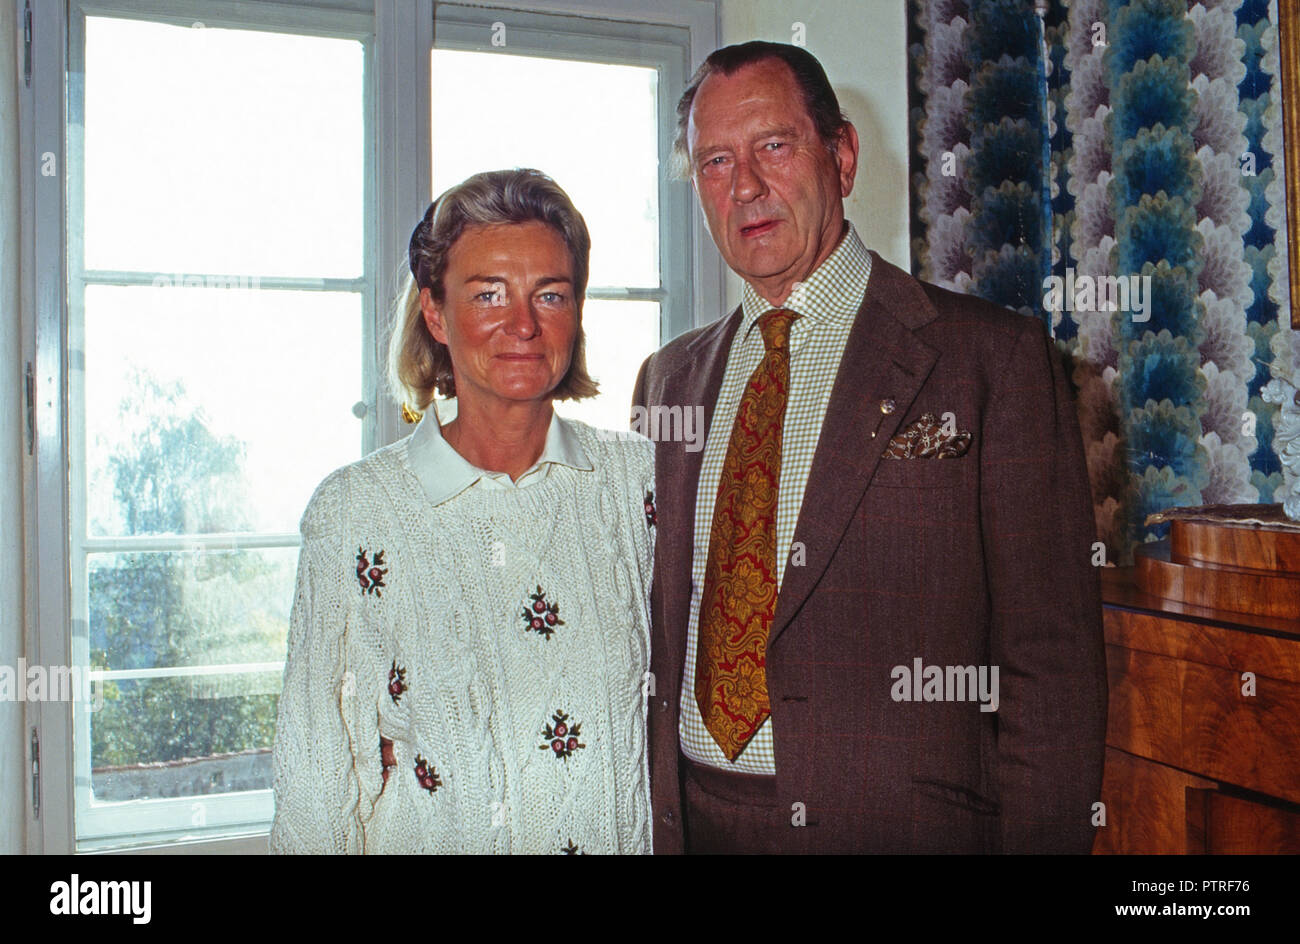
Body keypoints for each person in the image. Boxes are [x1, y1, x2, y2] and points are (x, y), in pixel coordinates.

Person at [633, 41, 1108, 854]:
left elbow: (1052, 670)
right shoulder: (668, 382)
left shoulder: (990, 361)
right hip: (699, 824)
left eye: (773, 146)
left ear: (842, 155)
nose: (744, 185)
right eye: (715, 161)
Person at [271, 168, 655, 854]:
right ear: (436, 314)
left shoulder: (639, 485)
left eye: (550, 294)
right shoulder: (355, 511)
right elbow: (317, 776)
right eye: (488, 295)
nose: (524, 325)